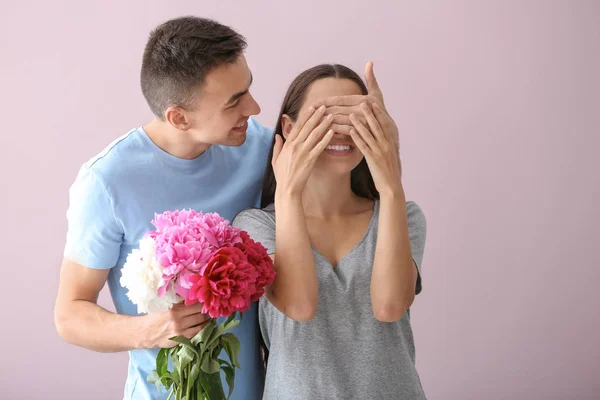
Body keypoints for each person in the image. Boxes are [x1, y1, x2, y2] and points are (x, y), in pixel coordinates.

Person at [53, 16, 392, 400]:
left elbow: (338, 168)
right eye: (234, 102)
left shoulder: (264, 150)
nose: (254, 106)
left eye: (247, 88)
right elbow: (70, 315)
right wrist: (152, 330)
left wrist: (371, 124)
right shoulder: (106, 182)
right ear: (179, 117)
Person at [232, 64, 427, 399]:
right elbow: (299, 305)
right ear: (289, 128)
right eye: (323, 118)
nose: (342, 132)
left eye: (356, 118)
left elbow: (390, 306)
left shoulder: (403, 215)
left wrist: (392, 184)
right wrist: (289, 191)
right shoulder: (256, 226)